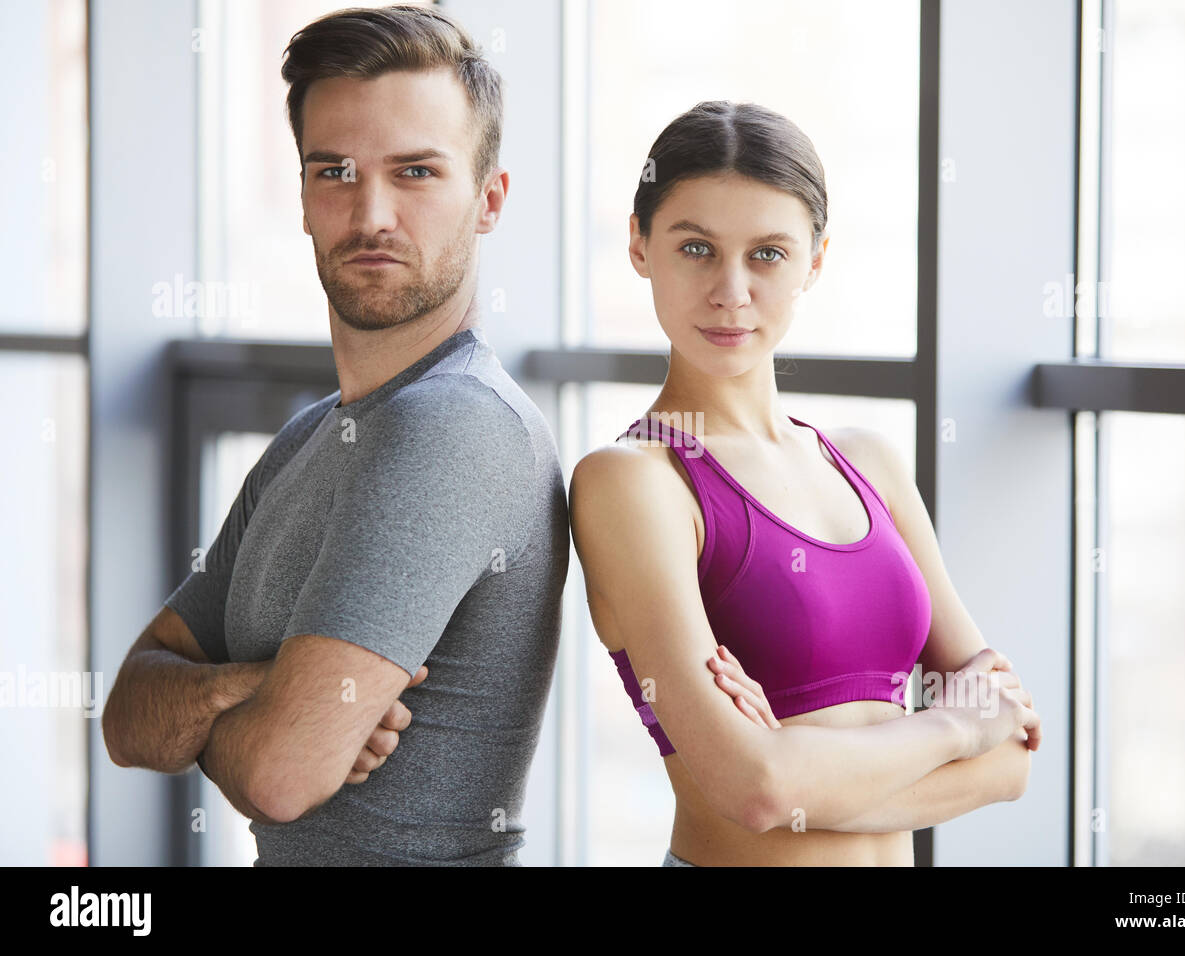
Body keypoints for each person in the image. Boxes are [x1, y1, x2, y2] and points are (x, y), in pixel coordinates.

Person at [101, 5, 569, 866]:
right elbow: (127, 716)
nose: (373, 213)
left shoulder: (457, 426)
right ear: (306, 199)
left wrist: (217, 710)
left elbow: (280, 776)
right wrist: (255, 688)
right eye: (337, 171)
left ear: (490, 199)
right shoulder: (313, 437)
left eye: (418, 172)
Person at [569, 100, 1043, 866]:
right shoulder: (634, 483)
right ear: (639, 245)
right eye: (695, 248)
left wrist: (801, 773)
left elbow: (1014, 755)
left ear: (814, 262)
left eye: (767, 254)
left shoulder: (870, 463)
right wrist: (955, 727)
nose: (730, 290)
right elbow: (754, 787)